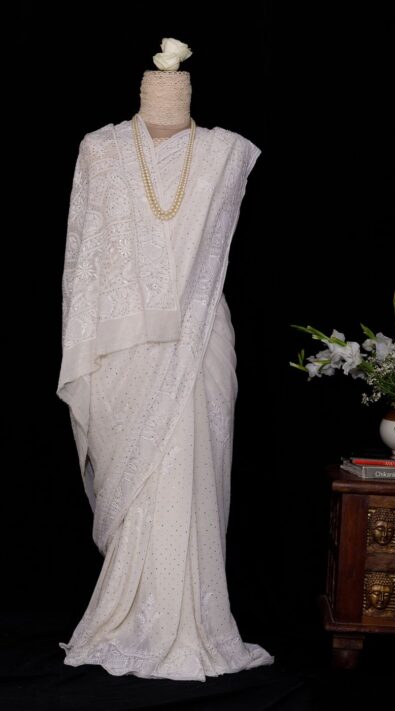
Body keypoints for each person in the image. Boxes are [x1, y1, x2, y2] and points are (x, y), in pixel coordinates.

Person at [57, 37, 273, 681]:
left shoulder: (227, 152)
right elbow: (82, 260)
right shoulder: (98, 150)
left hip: (200, 343)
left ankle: (193, 619)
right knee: (135, 480)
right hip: (120, 351)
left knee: (191, 474)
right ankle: (129, 615)